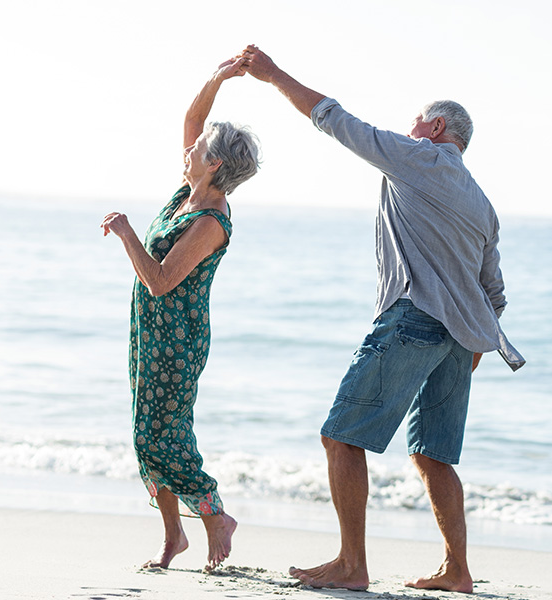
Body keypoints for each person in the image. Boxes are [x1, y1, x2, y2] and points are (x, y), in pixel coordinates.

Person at [240, 44, 525, 594]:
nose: (408, 127)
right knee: (432, 454)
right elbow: (495, 291)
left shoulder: (418, 157)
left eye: (415, 120)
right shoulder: (483, 203)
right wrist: (470, 348)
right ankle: (457, 571)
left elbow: (336, 120)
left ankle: (352, 564)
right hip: (460, 341)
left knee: (341, 438)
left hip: (413, 319)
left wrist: (273, 75)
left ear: (435, 126)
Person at [100, 56, 261, 572]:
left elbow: (162, 280)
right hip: (148, 330)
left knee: (158, 435)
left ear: (214, 164)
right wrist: (218, 78)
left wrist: (126, 233)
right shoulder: (187, 193)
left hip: (177, 338)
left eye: (198, 149)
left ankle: (214, 514)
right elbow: (193, 125)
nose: (188, 149)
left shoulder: (212, 218)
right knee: (146, 432)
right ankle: (173, 537)